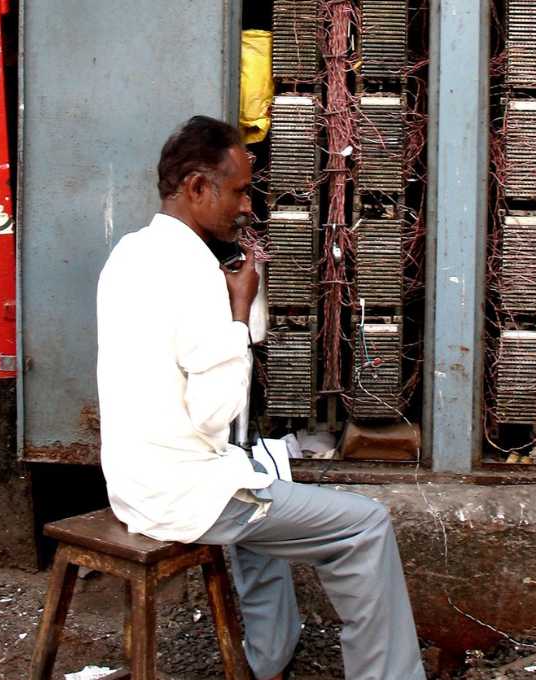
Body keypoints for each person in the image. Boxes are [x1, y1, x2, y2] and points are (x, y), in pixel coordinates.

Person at [96, 115, 426, 680]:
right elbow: (212, 415)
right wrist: (239, 313)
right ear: (198, 188)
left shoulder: (129, 252)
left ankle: (267, 659)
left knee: (258, 472)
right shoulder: (197, 273)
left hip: (135, 483)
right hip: (184, 496)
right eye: (240, 190)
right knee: (365, 526)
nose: (247, 206)